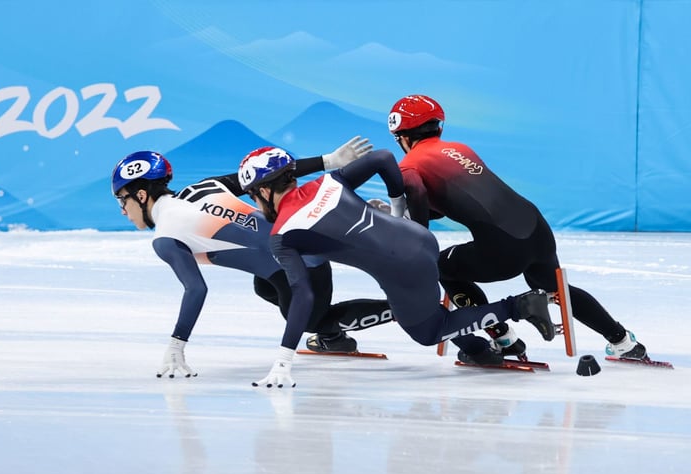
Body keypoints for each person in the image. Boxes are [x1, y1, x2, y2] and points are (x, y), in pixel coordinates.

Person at [236, 145, 556, 388]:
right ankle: (477, 349)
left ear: (263, 190)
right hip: (420, 238)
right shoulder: (327, 182)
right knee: (419, 309)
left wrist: (283, 360)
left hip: (402, 267)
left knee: (428, 331)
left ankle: (520, 306)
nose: (255, 203)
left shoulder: (283, 234)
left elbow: (303, 296)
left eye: (252, 196)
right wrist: (397, 206)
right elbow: (383, 157)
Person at [388, 94, 647, 362]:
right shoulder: (459, 149)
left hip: (503, 246)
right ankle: (624, 342)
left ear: (402, 136)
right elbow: (453, 200)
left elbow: (420, 212)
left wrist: (407, 235)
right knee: (554, 286)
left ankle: (505, 340)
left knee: (442, 267)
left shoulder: (409, 166)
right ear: (438, 127)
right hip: (536, 229)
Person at [111, 139, 396, 379]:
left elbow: (196, 289)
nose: (123, 210)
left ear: (141, 195)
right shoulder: (202, 187)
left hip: (298, 262)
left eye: (122, 200)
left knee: (310, 321)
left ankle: (399, 309)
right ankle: (332, 336)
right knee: (264, 287)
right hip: (294, 249)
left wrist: (176, 345)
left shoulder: (165, 236)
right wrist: (329, 160)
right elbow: (267, 173)